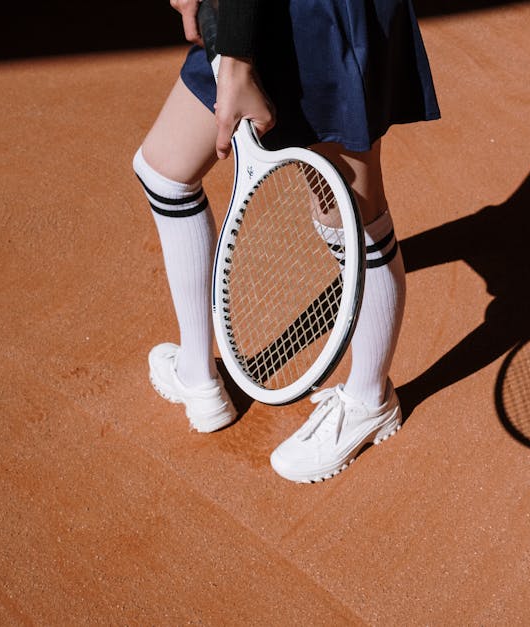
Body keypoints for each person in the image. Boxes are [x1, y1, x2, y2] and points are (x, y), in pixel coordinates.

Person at [134, 0, 440, 482]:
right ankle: (196, 372)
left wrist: (236, 60)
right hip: (265, 15)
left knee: (350, 212)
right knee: (164, 171)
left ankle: (368, 401)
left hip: (314, 17)